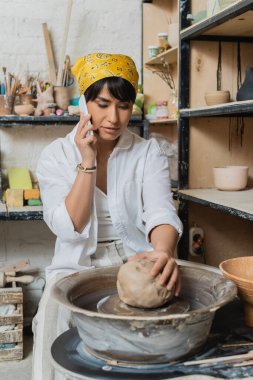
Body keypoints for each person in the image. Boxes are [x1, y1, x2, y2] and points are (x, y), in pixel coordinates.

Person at [32, 52, 183, 379]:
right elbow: (70, 228)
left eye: (123, 105)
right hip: (75, 262)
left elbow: (161, 211)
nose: (114, 117)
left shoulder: (146, 151)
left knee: (154, 338)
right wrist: (88, 161)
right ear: (84, 104)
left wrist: (162, 252)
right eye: (102, 104)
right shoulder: (55, 155)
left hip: (135, 256)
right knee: (53, 320)